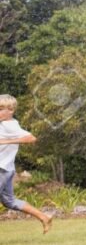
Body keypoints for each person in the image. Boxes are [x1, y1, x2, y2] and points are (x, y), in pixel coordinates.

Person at [0, 94, 52, 234]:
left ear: (10, 110)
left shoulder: (9, 125)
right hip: (7, 169)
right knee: (9, 202)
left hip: (2, 169)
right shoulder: (4, 124)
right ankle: (44, 217)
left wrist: (6, 142)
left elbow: (31, 138)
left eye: (0, 109)